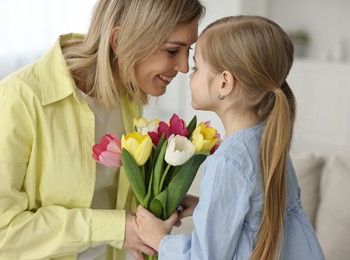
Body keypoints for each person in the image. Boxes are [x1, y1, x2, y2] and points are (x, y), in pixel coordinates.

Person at [0, 0, 205, 259]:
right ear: (119, 40)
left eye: (188, 51)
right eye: (173, 51)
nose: (184, 67)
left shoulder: (127, 99)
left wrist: (162, 199)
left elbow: (104, 197)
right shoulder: (15, 102)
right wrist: (117, 228)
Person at [134, 15, 326, 260]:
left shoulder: (228, 162)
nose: (188, 74)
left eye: (196, 68)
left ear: (224, 83)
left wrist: (159, 240)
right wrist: (208, 207)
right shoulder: (268, 139)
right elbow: (259, 211)